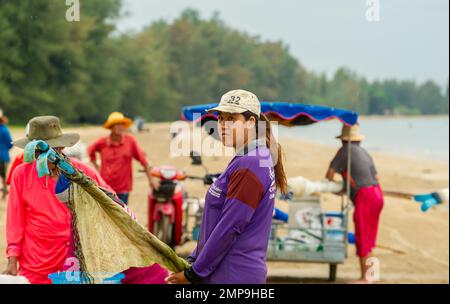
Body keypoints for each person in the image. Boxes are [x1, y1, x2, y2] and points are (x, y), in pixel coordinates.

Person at [167, 89, 287, 284]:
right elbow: (216, 224)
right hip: (225, 272)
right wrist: (193, 260)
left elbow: (230, 226)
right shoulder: (248, 158)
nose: (223, 125)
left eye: (232, 118)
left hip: (234, 275)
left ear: (251, 122)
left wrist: (194, 273)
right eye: (221, 118)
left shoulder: (252, 163)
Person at [2, 116, 115, 284]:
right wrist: (12, 259)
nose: (46, 156)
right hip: (35, 264)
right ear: (33, 150)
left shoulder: (80, 171)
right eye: (40, 151)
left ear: (61, 147)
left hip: (74, 260)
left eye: (53, 149)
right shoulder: (21, 174)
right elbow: (15, 220)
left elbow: (110, 200)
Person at [325, 124, 384, 284]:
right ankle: (371, 275)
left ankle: (366, 278)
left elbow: (329, 174)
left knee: (362, 235)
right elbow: (376, 177)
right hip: (377, 193)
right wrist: (349, 187)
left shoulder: (344, 151)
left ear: (343, 140)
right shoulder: (365, 152)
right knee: (369, 236)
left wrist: (338, 189)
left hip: (365, 196)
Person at [88, 112, 157, 205]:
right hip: (105, 187)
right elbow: (90, 151)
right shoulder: (102, 143)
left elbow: (143, 160)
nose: (119, 127)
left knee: (122, 215)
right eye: (116, 125)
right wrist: (97, 167)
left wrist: (151, 180)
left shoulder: (130, 141)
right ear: (111, 127)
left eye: (121, 124)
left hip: (123, 188)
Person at [0, 109, 13, 199]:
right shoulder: (4, 129)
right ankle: (4, 193)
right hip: (3, 155)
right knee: (4, 176)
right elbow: (9, 143)